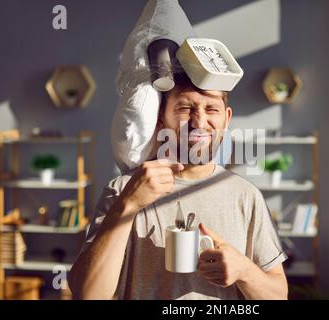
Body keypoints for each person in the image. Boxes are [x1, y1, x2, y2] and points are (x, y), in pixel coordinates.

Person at [68, 74, 288, 300]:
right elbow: (88, 295)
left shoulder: (246, 196)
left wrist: (245, 271)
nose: (199, 123)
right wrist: (128, 205)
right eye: (184, 108)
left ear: (226, 119)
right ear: (160, 119)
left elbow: (279, 296)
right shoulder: (122, 190)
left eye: (212, 109)